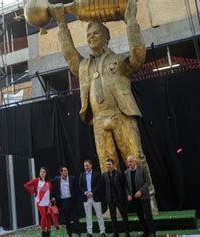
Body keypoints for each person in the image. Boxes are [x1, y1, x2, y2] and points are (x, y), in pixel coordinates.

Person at [49, 0, 158, 212]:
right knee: (107, 165)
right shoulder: (83, 67)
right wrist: (62, 25)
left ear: (107, 36)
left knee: (135, 158)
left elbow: (138, 55)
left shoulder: (118, 60)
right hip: (99, 120)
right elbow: (70, 55)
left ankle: (149, 201)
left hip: (121, 115)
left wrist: (131, 22)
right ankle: (115, 206)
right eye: (88, 36)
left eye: (95, 34)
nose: (91, 38)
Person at [125, 155, 156, 237]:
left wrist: (140, 191)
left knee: (148, 215)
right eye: (128, 162)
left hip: (143, 196)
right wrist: (128, 194)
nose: (129, 163)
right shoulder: (126, 172)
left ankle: (152, 231)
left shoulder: (142, 169)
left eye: (131, 161)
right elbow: (126, 186)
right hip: (134, 198)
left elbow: (147, 182)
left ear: (135, 162)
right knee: (140, 215)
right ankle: (146, 231)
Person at [102, 158, 130, 237]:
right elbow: (104, 187)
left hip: (120, 198)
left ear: (113, 165)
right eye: (107, 164)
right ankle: (116, 233)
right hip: (110, 200)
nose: (108, 166)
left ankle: (127, 232)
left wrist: (126, 195)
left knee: (124, 216)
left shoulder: (119, 173)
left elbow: (124, 185)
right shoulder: (104, 175)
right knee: (113, 218)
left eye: (110, 164)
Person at [24, 167, 53, 237]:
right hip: (40, 202)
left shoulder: (48, 182)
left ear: (46, 173)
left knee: (48, 217)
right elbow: (26, 185)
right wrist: (33, 193)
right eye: (41, 172)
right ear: (39, 173)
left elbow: (50, 192)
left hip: (47, 202)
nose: (42, 173)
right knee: (44, 217)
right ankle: (43, 233)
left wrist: (51, 200)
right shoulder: (36, 180)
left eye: (44, 172)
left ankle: (48, 233)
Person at [79, 160, 105, 236]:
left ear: (91, 165)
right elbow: (80, 186)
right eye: (85, 166)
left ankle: (102, 231)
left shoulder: (96, 174)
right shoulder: (82, 175)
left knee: (99, 215)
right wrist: (86, 192)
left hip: (95, 197)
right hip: (86, 198)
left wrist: (92, 192)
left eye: (87, 165)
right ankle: (89, 232)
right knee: (88, 216)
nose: (86, 167)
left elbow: (99, 185)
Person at [51, 166, 80, 237]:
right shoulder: (56, 179)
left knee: (75, 217)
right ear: (61, 172)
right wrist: (53, 197)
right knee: (67, 218)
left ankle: (78, 232)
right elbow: (51, 187)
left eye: (66, 170)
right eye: (64, 171)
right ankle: (69, 233)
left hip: (72, 200)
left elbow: (77, 188)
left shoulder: (72, 178)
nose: (66, 172)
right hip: (63, 201)